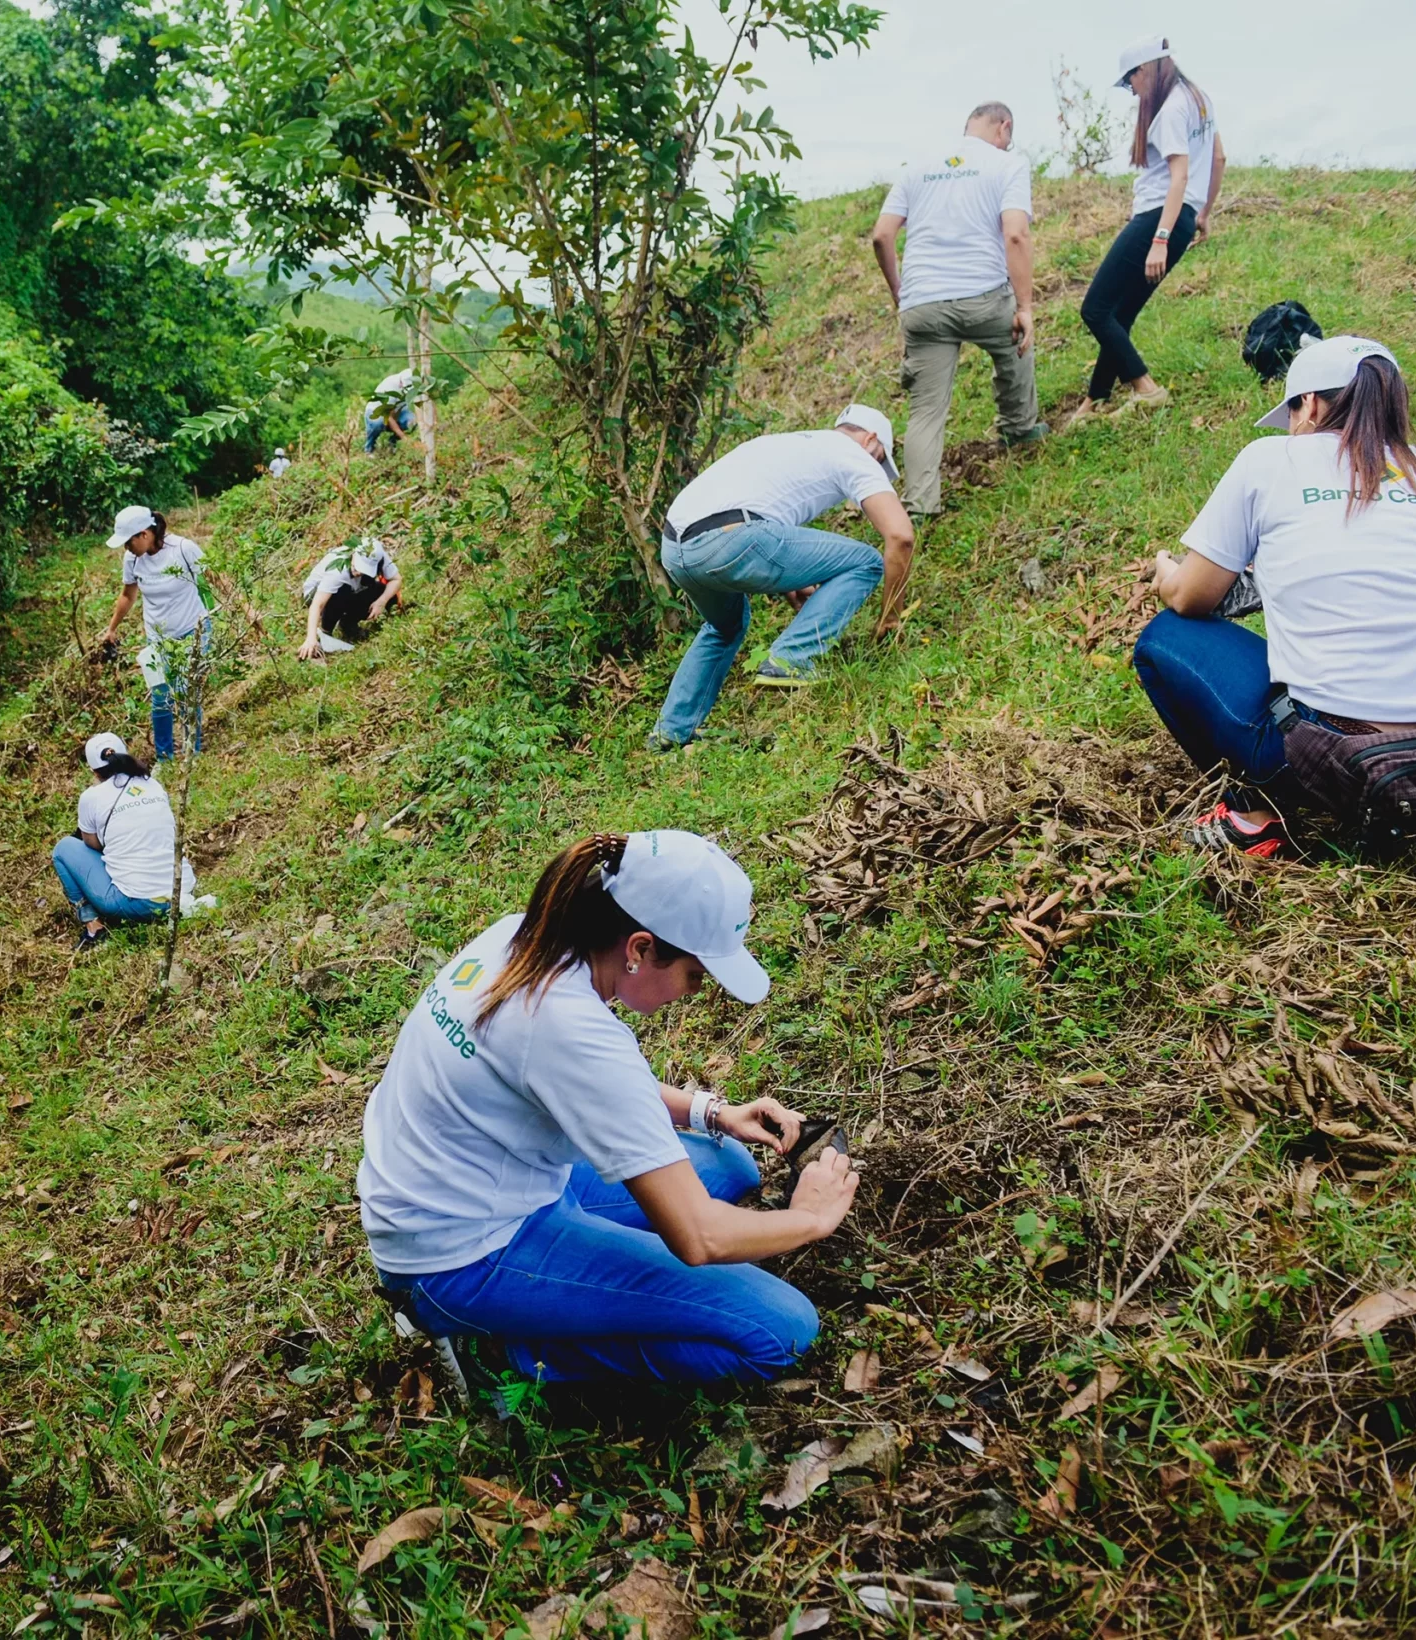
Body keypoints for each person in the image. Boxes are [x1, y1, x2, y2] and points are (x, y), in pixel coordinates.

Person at [359, 831, 858, 1390]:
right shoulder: (569, 1030)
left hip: (465, 1186)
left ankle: (565, 1286)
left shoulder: (526, 937)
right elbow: (698, 1238)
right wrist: (810, 1219)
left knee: (730, 1169)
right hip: (458, 1257)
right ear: (640, 949)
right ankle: (509, 1352)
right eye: (696, 975)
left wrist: (710, 1112)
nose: (696, 991)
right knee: (781, 1331)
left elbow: (575, 1084)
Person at [1134, 337, 1416, 857]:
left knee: (1168, 636)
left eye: (1291, 412)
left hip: (1345, 759)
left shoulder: (1270, 461)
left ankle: (1253, 812)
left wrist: (1165, 573)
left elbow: (1191, 598)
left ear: (1309, 404)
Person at [648, 404, 917, 749]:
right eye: (881, 461)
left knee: (724, 626)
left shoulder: (788, 445)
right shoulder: (853, 454)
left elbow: (759, 516)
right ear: (870, 440)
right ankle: (792, 658)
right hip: (733, 537)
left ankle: (671, 733)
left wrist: (793, 580)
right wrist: (890, 617)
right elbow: (901, 537)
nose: (878, 470)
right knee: (865, 561)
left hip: (676, 550)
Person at [869, 100, 1043, 518]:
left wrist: (900, 291)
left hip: (923, 304)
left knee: (926, 412)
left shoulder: (917, 167)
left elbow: (881, 236)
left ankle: (920, 506)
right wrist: (1025, 307)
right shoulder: (1007, 165)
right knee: (1015, 342)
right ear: (1004, 127)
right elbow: (1016, 235)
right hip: (983, 295)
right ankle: (1019, 430)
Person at [1071, 37, 1225, 420]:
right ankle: (1095, 401)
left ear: (1146, 70)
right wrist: (1203, 213)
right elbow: (1218, 157)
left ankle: (1146, 388)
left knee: (1094, 308)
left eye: (1130, 81)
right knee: (1119, 314)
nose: (1132, 91)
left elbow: (1179, 176)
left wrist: (1159, 239)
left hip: (1158, 218)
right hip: (1183, 218)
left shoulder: (1171, 110)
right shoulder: (1199, 99)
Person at [97, 504, 216, 760]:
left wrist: (245, 609)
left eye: (129, 542)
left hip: (192, 631)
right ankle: (165, 758)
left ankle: (192, 751)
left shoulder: (183, 549)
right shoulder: (132, 559)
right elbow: (128, 596)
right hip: (158, 638)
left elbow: (214, 578)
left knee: (186, 691)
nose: (126, 549)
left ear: (145, 534)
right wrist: (111, 629)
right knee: (160, 697)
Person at [51, 733, 176, 952]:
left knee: (63, 849)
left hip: (142, 905)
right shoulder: (152, 783)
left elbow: (93, 845)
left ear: (93, 770)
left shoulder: (91, 797)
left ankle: (94, 927)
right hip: (179, 891)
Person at [297, 534, 403, 660]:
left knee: (386, 592)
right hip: (316, 594)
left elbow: (396, 579)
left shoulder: (377, 555)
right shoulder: (338, 570)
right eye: (357, 567)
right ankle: (326, 632)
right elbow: (317, 604)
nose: (358, 572)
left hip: (354, 589)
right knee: (343, 589)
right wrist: (311, 638)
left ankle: (348, 624)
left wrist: (382, 601)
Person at [364, 368, 417, 454]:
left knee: (412, 421)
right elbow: (388, 416)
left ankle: (392, 444)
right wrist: (404, 437)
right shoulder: (389, 387)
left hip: (399, 411)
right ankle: (369, 449)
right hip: (378, 412)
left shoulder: (414, 385)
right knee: (377, 423)